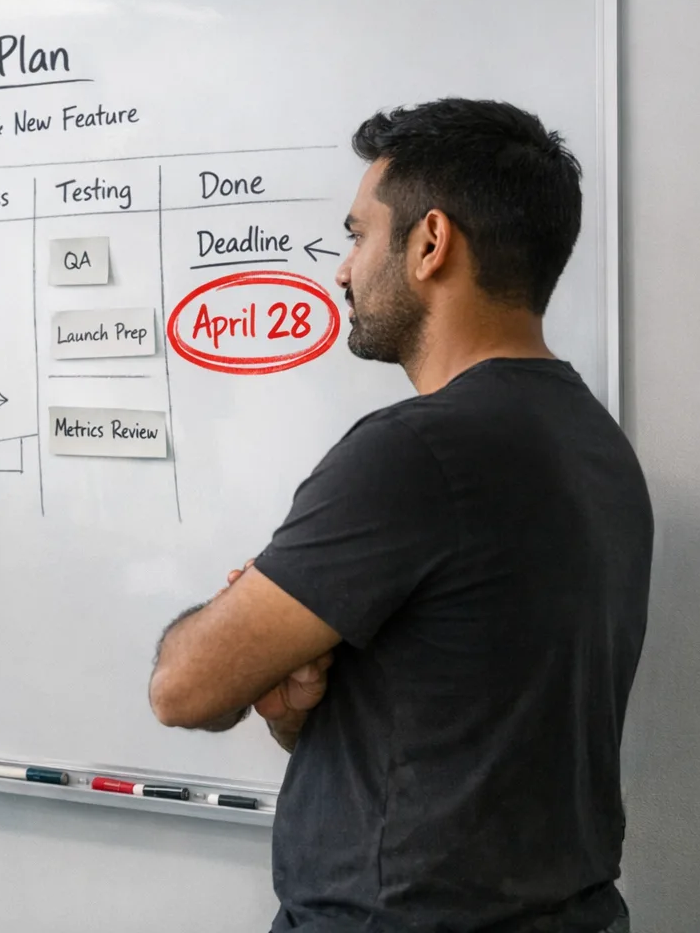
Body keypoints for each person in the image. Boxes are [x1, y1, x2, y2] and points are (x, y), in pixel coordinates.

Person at [147, 99, 651, 933]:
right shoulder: (594, 443)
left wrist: (236, 624)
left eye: (357, 235)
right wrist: (299, 703)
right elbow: (454, 723)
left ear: (430, 243)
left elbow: (184, 690)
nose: (342, 271)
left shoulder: (415, 452)